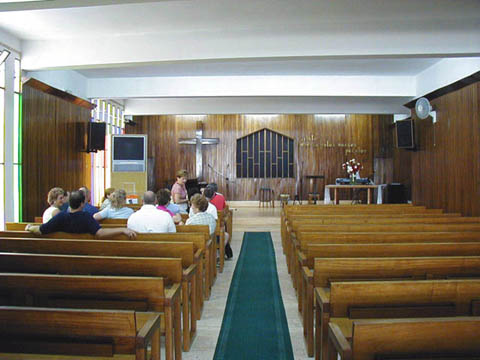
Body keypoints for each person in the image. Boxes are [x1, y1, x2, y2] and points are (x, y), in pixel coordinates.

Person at [26, 191, 136, 239]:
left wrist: (30, 227)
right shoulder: (86, 218)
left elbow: (40, 230)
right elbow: (100, 233)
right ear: (82, 203)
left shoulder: (61, 217)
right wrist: (122, 230)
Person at [204, 186, 233, 259]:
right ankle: (218, 254)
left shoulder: (198, 205)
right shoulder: (214, 204)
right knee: (225, 234)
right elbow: (223, 209)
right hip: (213, 232)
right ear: (214, 194)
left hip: (200, 234)